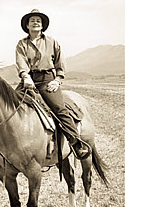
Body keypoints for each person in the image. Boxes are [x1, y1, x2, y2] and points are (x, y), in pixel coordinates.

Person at [15, 9, 91, 160]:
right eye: (32, 21)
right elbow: (21, 61)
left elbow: (60, 62)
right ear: (27, 26)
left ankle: (76, 143)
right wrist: (25, 76)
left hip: (47, 80)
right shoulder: (22, 44)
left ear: (42, 26)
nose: (35, 22)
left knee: (59, 108)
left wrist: (57, 80)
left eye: (38, 21)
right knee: (6, 104)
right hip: (28, 79)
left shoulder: (52, 42)